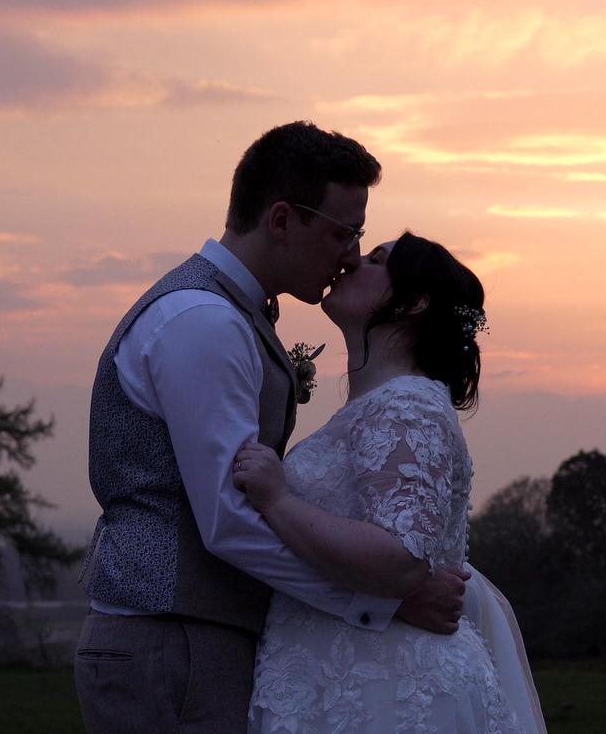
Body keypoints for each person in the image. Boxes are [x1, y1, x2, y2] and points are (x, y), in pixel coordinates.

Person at [74, 122, 469, 734]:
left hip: (193, 638)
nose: (351, 255)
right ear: (282, 221)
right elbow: (229, 520)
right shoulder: (204, 322)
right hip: (170, 643)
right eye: (345, 233)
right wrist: (382, 602)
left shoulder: (225, 315)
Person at [232, 232, 546, 733]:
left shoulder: (405, 407)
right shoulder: (383, 406)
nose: (352, 260)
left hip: (387, 692)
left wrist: (278, 500)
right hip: (350, 681)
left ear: (413, 302)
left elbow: (400, 559)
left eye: (376, 259)